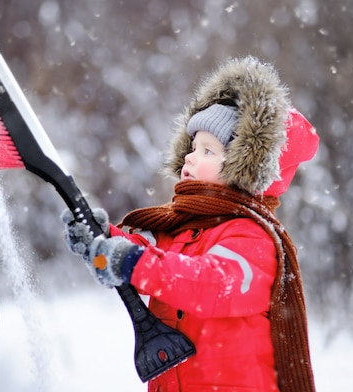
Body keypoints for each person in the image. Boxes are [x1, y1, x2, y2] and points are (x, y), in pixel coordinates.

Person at [61, 56, 319, 392]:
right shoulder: (185, 229)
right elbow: (155, 258)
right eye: (193, 146)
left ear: (245, 170)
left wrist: (132, 261)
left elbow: (207, 283)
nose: (190, 157)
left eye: (208, 151)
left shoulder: (253, 237)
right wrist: (104, 241)